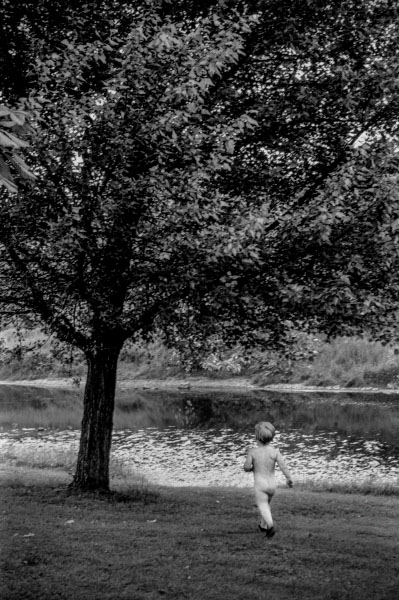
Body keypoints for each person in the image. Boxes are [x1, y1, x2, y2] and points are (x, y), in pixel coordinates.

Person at [244, 421, 293, 538]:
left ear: (257, 437)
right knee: (267, 504)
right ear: (272, 437)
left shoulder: (253, 452)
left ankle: (270, 525)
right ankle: (263, 525)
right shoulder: (275, 452)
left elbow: (246, 467)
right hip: (271, 485)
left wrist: (251, 468)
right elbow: (283, 466)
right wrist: (288, 478)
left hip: (260, 485)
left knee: (262, 505)